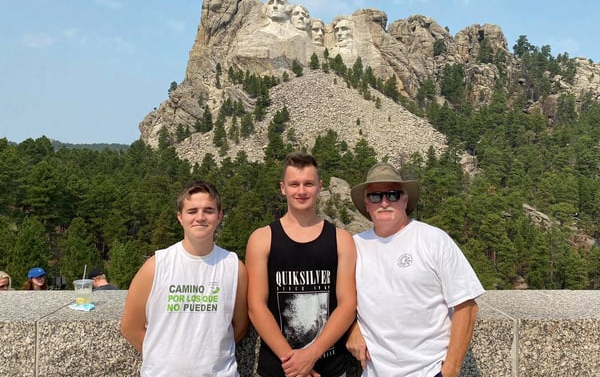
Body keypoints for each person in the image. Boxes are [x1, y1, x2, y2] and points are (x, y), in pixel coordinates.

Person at [346, 163, 485, 377]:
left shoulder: (434, 240)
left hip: (429, 371)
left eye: (392, 195)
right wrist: (352, 328)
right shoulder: (354, 246)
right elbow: (340, 301)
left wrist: (450, 370)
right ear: (366, 203)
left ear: (405, 199)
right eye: (375, 196)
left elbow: (467, 306)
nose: (384, 202)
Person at [120, 181, 249, 376]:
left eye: (208, 210)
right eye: (192, 211)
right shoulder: (156, 266)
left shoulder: (234, 267)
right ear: (180, 217)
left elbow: (239, 327)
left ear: (219, 216)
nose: (200, 217)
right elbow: (130, 327)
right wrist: (161, 359)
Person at [245, 152, 357, 377]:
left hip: (330, 367)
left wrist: (311, 354)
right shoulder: (262, 239)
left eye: (308, 184)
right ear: (283, 188)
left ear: (319, 186)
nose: (301, 191)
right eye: (294, 184)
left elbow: (347, 304)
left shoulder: (341, 239)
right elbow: (256, 306)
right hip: (279, 368)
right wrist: (295, 364)